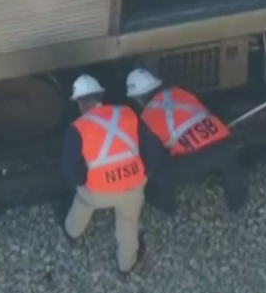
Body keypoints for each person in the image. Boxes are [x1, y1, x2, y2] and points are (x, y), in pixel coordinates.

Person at [60, 74, 163, 276]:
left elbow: (69, 166)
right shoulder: (127, 113)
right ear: (100, 95)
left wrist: (80, 182)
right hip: (133, 184)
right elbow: (152, 144)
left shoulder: (78, 128)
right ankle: (126, 265)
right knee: (128, 221)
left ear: (80, 103)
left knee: (83, 202)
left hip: (98, 190)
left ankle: (71, 233)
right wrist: (147, 170)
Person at [125, 68, 248, 216]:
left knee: (160, 174)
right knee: (227, 160)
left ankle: (168, 208)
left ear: (138, 99)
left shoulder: (147, 117)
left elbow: (153, 160)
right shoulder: (180, 91)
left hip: (198, 158)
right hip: (225, 143)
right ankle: (237, 200)